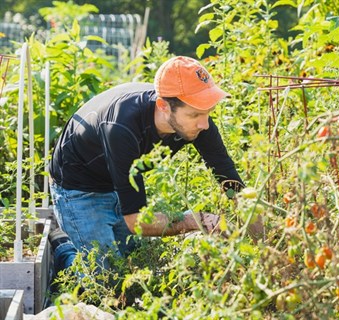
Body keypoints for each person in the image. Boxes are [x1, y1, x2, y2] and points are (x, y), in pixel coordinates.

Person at [48, 56, 245, 274]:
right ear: (164, 106)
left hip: (116, 178)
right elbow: (137, 222)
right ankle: (63, 250)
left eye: (208, 112)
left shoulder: (197, 120)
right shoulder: (122, 127)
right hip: (79, 188)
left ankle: (78, 244)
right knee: (105, 277)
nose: (204, 123)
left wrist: (260, 243)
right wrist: (192, 221)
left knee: (133, 262)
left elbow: (230, 180)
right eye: (195, 114)